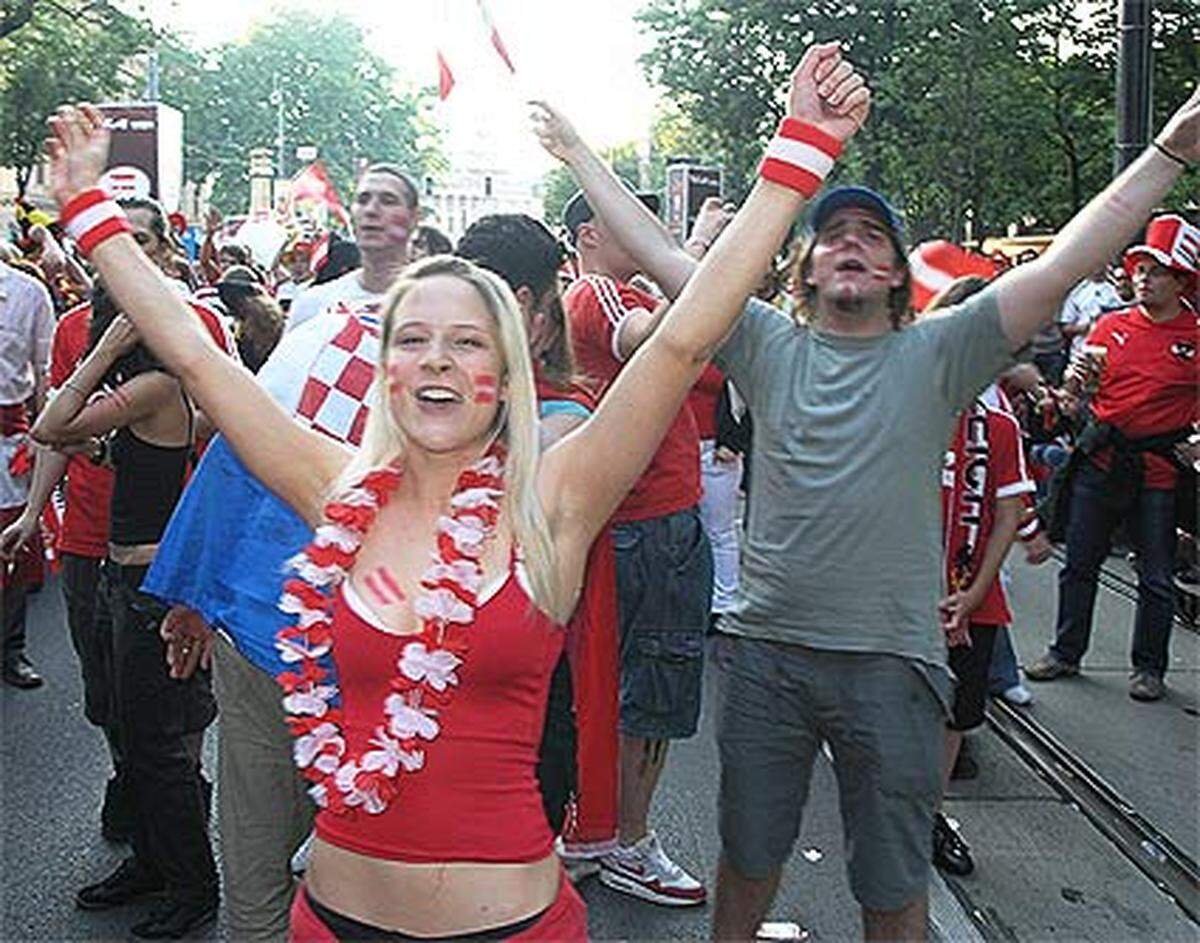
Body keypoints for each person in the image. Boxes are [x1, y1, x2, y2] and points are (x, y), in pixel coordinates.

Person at [44, 46, 870, 939]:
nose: (438, 358)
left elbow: (680, 342)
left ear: (506, 370)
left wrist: (801, 151)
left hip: (511, 923)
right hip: (331, 917)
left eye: (469, 342)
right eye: (415, 339)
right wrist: (88, 208)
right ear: (386, 369)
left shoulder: (554, 498)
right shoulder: (335, 485)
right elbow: (199, 353)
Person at [537, 69, 1199, 942]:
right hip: (769, 658)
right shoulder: (763, 340)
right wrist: (581, 152)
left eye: (871, 235)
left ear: (896, 274)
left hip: (894, 666)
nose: (850, 242)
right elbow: (667, 257)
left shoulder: (941, 352)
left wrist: (1166, 155)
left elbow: (1069, 258)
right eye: (831, 233)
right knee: (748, 860)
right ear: (806, 266)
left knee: (892, 882)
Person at [31, 275, 235, 939]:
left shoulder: (150, 384)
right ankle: (154, 864)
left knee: (156, 747)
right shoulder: (150, 389)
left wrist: (102, 353)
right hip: (128, 581)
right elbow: (92, 445)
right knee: (132, 733)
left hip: (148, 586)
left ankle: (192, 885)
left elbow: (49, 423)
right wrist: (100, 446)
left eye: (106, 318)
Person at [456, 212, 622, 871]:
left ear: (526, 310)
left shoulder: (565, 415)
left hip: (525, 689)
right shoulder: (430, 395)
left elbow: (517, 477)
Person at [560, 185, 711, 906]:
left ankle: (602, 829)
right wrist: (703, 257)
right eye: (632, 223)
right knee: (653, 684)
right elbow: (655, 339)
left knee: (628, 684)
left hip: (642, 518)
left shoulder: (601, 291)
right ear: (592, 233)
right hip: (649, 521)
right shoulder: (603, 294)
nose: (648, 235)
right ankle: (627, 838)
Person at [1026, 213, 1199, 702]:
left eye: (1156, 271)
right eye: (1140, 269)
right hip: (1100, 462)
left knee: (1157, 576)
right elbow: (1078, 399)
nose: (1142, 278)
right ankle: (1065, 652)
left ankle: (1150, 668)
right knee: (1079, 564)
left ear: (1180, 278)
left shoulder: (1196, 334)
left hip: (1158, 473)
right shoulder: (1109, 325)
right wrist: (1070, 391)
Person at [927, 275, 1036, 877]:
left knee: (953, 714)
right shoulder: (908, 405)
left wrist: (971, 592)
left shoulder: (999, 423)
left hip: (972, 599)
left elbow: (1009, 512)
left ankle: (930, 813)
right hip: (900, 597)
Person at [0, 255, 54, 689]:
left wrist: (42, 436)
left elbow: (43, 371)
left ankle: (11, 648)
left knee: (13, 545)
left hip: (8, 438)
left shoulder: (27, 292)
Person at [286, 165, 418, 333]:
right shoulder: (312, 305)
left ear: (414, 217)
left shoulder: (444, 304)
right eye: (363, 200)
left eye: (388, 201)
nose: (371, 210)